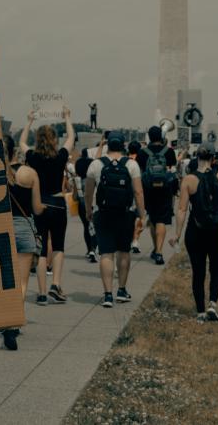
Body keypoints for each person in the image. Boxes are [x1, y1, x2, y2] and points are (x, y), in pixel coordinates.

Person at [169, 143, 218, 323]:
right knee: (216, 269)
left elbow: (182, 210)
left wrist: (177, 234)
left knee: (198, 271)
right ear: (212, 158)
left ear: (197, 157)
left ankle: (200, 311)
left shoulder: (188, 180)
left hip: (196, 232)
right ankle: (212, 305)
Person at [19, 107, 75, 305]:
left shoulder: (33, 157)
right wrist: (67, 118)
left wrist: (29, 121)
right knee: (58, 246)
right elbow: (71, 137)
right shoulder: (60, 156)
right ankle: (56, 285)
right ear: (54, 139)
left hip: (39, 203)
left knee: (41, 250)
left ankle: (41, 293)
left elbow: (21, 143)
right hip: (58, 203)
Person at [84, 131, 146, 308]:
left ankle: (108, 295)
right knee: (123, 251)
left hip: (102, 213)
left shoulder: (96, 164)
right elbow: (138, 192)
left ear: (108, 144)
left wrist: (88, 211)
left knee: (106, 253)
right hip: (125, 213)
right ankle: (121, 290)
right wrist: (142, 214)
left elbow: (88, 192)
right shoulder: (132, 165)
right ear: (123, 145)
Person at [2, 134, 45, 349]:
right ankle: (12, 325)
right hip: (22, 227)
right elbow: (36, 209)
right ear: (14, 152)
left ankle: (4, 317)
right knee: (21, 281)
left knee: (2, 280)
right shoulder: (29, 173)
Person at [136, 126, 177, 265]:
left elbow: (140, 171)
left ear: (149, 136)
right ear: (161, 136)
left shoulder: (142, 153)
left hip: (148, 189)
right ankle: (159, 252)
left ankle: (155, 249)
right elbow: (172, 170)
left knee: (153, 218)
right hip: (165, 189)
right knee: (162, 220)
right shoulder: (169, 151)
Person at [73, 148, 98, 263]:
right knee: (94, 227)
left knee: (86, 226)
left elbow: (74, 197)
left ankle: (89, 250)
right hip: (93, 203)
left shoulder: (77, 179)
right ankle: (95, 248)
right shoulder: (92, 178)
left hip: (81, 205)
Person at [128, 141, 144, 254]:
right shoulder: (141, 160)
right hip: (138, 190)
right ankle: (135, 240)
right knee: (139, 216)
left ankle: (129, 239)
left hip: (126, 191)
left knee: (129, 217)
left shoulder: (125, 160)